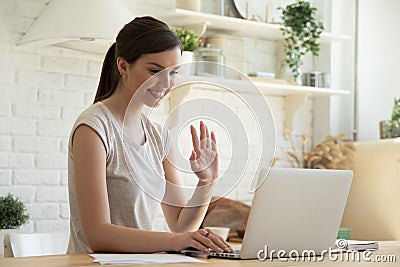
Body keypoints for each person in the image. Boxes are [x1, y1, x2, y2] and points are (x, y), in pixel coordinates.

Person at [67, 16, 232, 254]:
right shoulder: (94, 129)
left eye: (173, 72)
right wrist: (178, 242)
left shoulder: (158, 136)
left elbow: (179, 224)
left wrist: (206, 181)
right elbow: (98, 235)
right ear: (123, 66)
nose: (166, 83)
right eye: (155, 71)